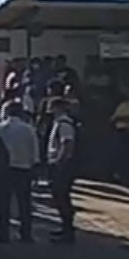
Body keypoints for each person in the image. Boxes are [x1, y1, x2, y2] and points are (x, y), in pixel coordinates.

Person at [0, 102, 40, 243]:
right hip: (23, 168)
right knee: (24, 203)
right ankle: (26, 234)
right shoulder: (28, 129)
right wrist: (35, 167)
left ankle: (3, 233)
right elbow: (34, 150)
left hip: (3, 169)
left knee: (3, 203)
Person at [47, 97, 80, 243]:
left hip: (62, 165)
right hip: (58, 163)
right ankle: (65, 227)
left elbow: (67, 144)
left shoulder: (64, 124)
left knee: (62, 196)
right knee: (59, 197)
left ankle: (68, 231)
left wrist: (61, 161)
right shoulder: (59, 123)